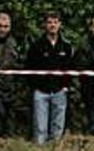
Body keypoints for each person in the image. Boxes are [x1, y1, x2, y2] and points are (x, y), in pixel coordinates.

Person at [25, 10, 74, 144]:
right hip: (41, 92)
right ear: (45, 25)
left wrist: (65, 87)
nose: (52, 25)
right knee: (40, 129)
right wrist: (35, 87)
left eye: (55, 22)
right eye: (49, 22)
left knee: (57, 129)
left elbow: (70, 68)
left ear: (60, 25)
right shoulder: (36, 46)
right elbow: (29, 68)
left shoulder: (66, 46)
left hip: (60, 91)